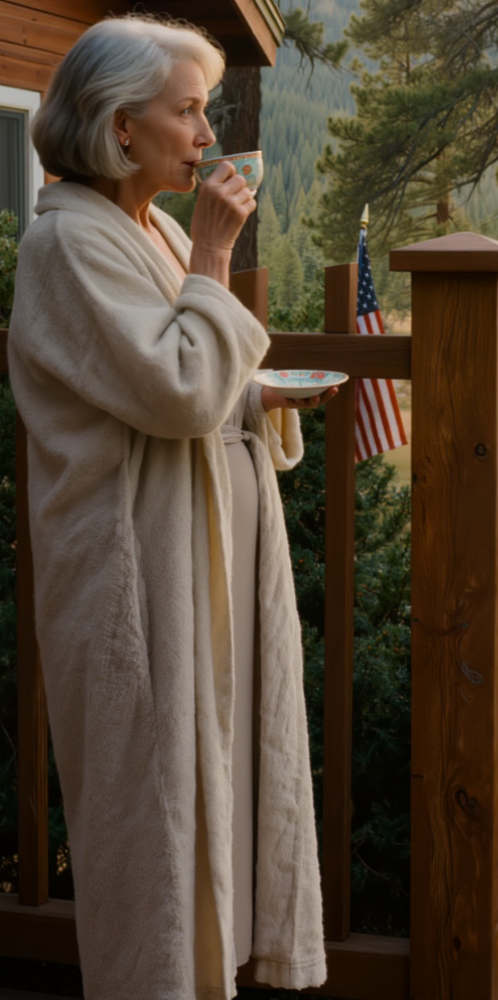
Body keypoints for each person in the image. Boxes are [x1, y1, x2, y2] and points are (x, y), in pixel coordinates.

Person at [7, 16, 332, 999]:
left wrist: (259, 396)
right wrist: (216, 252)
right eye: (187, 111)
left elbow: (176, 386)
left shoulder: (140, 230)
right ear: (118, 129)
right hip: (137, 588)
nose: (208, 134)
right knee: (153, 827)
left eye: (209, 109)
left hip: (199, 575)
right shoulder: (70, 245)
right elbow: (178, 391)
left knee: (216, 805)